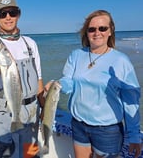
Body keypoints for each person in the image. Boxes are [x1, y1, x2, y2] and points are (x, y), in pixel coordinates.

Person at [45, 10, 142, 158]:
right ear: (86, 32)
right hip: (78, 124)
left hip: (107, 131)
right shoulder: (76, 55)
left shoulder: (121, 61)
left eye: (102, 28)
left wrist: (134, 135)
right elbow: (69, 81)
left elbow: (131, 100)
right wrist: (57, 85)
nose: (97, 33)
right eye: (92, 29)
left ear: (110, 31)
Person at [0, 0, 45, 158]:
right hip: (7, 108)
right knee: (3, 151)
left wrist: (44, 106)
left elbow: (38, 77)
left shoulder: (30, 43)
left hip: (32, 110)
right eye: (3, 14)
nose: (8, 17)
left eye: (12, 12)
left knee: (30, 153)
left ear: (18, 14)